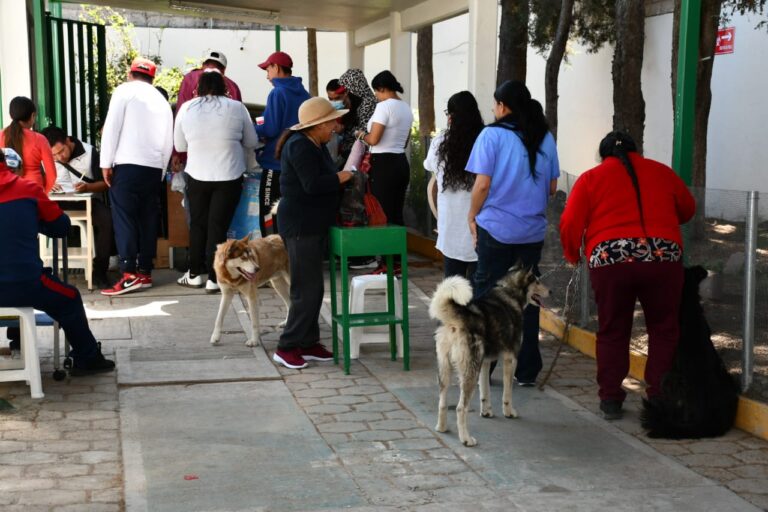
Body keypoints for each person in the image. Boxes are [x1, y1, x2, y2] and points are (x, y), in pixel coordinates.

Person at [559, 131, 696, 420]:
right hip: (663, 256)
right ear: (638, 151)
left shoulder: (590, 178)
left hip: (611, 260)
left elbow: (570, 221)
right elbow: (687, 209)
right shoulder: (662, 172)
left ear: (604, 154)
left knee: (612, 329)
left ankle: (610, 399)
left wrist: (573, 255)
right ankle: (659, 394)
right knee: (663, 328)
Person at [465, 80, 560, 386]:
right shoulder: (544, 137)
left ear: (503, 106)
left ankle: (483, 366)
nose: (493, 110)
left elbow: (482, 185)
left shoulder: (491, 135)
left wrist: (471, 215)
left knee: (487, 295)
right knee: (527, 297)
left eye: (495, 105)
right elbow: (552, 187)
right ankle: (527, 369)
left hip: (496, 229)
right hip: (531, 231)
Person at [0, 147, 115, 375]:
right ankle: (87, 358)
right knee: (70, 298)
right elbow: (61, 227)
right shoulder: (29, 189)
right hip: (27, 284)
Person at [272, 97, 355, 369]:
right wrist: (340, 178)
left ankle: (308, 342)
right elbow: (312, 185)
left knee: (314, 289)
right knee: (305, 290)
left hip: (311, 224)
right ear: (318, 125)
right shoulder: (300, 146)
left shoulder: (314, 144)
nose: (335, 126)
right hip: (300, 226)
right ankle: (287, 346)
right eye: (331, 121)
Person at [174, 70, 259, 293]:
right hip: (229, 175)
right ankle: (214, 278)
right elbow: (251, 140)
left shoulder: (186, 108)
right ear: (224, 87)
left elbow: (180, 146)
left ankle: (194, 274)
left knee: (198, 225)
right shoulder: (238, 107)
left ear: (198, 88)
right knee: (218, 227)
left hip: (197, 174)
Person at [99, 57, 173, 296]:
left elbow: (112, 127)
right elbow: (167, 139)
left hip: (127, 165)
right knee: (148, 218)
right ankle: (144, 272)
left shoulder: (124, 91)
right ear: (152, 78)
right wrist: (161, 170)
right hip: (153, 168)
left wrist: (105, 163)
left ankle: (129, 273)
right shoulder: (160, 100)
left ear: (130, 74)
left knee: (125, 218)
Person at [40, 126, 114, 289]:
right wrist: (47, 186)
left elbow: (105, 184)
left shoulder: (89, 152)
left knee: (107, 220)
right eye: (54, 155)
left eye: (61, 151)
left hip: (86, 200)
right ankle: (40, 271)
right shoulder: (44, 155)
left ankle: (100, 271)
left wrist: (88, 187)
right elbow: (36, 183)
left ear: (68, 141)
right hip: (56, 202)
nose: (60, 157)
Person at [355, 70, 413, 275]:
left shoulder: (383, 107)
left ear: (381, 89)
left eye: (376, 92)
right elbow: (404, 140)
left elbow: (373, 140)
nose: (376, 96)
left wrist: (360, 134)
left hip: (382, 164)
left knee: (382, 214)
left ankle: (387, 264)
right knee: (397, 213)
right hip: (400, 162)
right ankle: (397, 262)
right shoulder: (406, 108)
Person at [423, 91, 485, 279]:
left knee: (452, 287)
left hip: (451, 224)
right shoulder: (485, 140)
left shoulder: (441, 141)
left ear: (450, 117)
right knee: (478, 288)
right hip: (480, 224)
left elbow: (428, 165)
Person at [255, 51, 311, 237]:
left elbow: (270, 128)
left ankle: (272, 253)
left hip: (275, 162)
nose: (266, 75)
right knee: (293, 211)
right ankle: (292, 253)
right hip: (299, 164)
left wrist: (255, 129)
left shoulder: (277, 92)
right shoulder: (304, 94)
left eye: (268, 69)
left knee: (268, 210)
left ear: (276, 67)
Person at [171, 50, 242, 173]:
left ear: (203, 65)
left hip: (195, 156)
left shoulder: (190, 78)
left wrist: (177, 154)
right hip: (226, 160)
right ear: (224, 69)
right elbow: (241, 125)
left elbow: (180, 116)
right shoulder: (233, 86)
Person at [0, 96, 57, 193]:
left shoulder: (1, 136)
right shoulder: (40, 139)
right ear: (33, 116)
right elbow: (52, 175)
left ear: (10, 115)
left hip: (6, 193)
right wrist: (44, 194)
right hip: (33, 192)